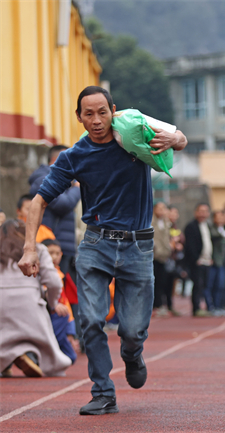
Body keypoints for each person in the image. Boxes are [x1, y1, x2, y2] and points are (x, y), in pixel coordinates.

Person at [17, 86, 187, 415]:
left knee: (133, 330)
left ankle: (132, 353)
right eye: (89, 114)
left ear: (113, 111)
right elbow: (38, 202)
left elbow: (180, 139)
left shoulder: (134, 133)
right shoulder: (73, 157)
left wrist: (171, 140)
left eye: (102, 112)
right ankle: (103, 392)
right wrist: (28, 248)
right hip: (96, 243)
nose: (97, 120)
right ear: (79, 118)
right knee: (90, 320)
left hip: (139, 243)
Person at [1, 219, 72, 378]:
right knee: (47, 349)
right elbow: (54, 282)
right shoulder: (38, 249)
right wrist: (52, 304)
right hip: (29, 303)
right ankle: (30, 354)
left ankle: (7, 359)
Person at [29, 145, 81, 277]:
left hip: (64, 247)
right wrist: (77, 188)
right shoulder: (42, 178)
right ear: (56, 159)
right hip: (50, 246)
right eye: (70, 158)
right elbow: (63, 204)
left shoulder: (67, 181)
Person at [41, 238, 79, 363]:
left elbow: (66, 303)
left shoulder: (60, 275)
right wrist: (53, 305)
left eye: (57, 253)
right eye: (50, 253)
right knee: (61, 314)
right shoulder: (39, 274)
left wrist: (71, 333)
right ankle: (45, 351)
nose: (54, 257)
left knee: (71, 358)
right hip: (45, 317)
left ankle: (52, 351)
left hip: (58, 318)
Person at [184, 203, 213, 317]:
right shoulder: (191, 226)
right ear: (195, 212)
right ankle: (196, 308)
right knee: (197, 285)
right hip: (197, 261)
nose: (203, 213)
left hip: (207, 260)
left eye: (205, 211)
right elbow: (190, 245)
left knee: (205, 285)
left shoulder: (208, 225)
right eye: (200, 211)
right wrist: (196, 258)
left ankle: (205, 306)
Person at [208, 210, 225, 316]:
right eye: (217, 217)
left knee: (220, 285)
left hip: (222, 262)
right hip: (213, 261)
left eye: (221, 217)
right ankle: (211, 307)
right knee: (210, 285)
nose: (220, 219)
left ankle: (218, 306)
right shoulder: (212, 230)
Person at [152, 201, 175, 317]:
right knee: (154, 282)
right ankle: (155, 305)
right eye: (159, 208)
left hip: (165, 256)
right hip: (154, 256)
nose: (162, 211)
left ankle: (162, 305)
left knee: (163, 282)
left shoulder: (166, 222)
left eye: (163, 208)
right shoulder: (151, 222)